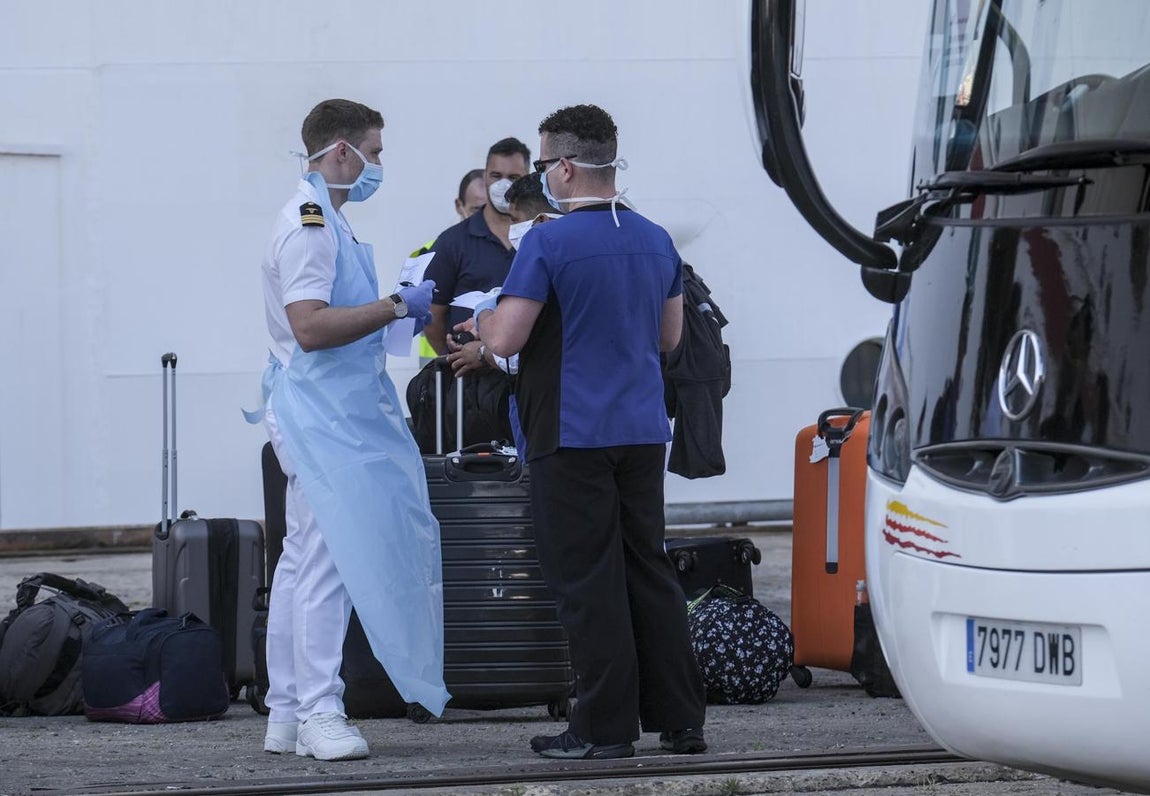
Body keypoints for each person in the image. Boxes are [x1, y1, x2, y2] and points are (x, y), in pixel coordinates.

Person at [472, 104, 707, 760]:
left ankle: (602, 728)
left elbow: (510, 337)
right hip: (639, 427)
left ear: (566, 167)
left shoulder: (546, 241)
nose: (543, 174)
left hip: (571, 429)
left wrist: (485, 323)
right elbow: (670, 337)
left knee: (586, 580)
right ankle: (682, 719)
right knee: (648, 570)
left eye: (545, 164)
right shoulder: (657, 238)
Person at [252, 98, 449, 762]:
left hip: (327, 408)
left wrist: (392, 313)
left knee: (303, 561)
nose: (379, 164)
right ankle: (319, 709)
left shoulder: (326, 220)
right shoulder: (311, 226)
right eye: (376, 150)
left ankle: (285, 710)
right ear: (342, 151)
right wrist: (397, 304)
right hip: (323, 413)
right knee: (330, 561)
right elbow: (310, 326)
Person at [422, 137, 531, 356]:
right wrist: (452, 358)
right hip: (469, 382)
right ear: (485, 177)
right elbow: (433, 315)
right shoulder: (452, 242)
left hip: (529, 375)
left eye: (514, 177)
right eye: (496, 176)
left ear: (527, 179)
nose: (504, 185)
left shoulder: (539, 235)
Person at [413, 167, 487, 363]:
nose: (486, 218)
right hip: (446, 368)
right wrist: (451, 357)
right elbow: (432, 316)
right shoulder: (438, 250)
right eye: (477, 210)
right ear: (459, 205)